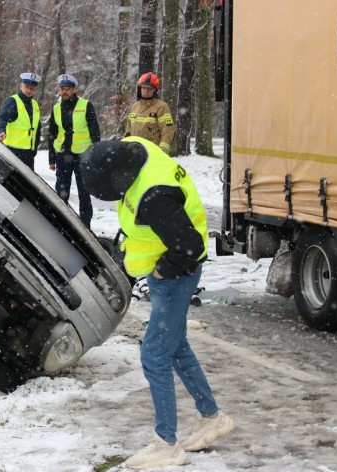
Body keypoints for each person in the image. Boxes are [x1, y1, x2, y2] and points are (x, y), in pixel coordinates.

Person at [80, 136, 235, 469]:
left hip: (175, 277)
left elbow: (190, 248)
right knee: (175, 345)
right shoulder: (135, 146)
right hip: (161, 263)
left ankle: (167, 443)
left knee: (154, 353)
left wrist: (164, 271)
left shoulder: (155, 198)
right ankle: (213, 417)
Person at [47, 74, 100, 228]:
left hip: (83, 156)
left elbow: (95, 131)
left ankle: (86, 228)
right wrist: (52, 158)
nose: (64, 91)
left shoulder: (85, 105)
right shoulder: (56, 108)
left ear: (74, 89)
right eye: (62, 88)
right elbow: (52, 133)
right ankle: (61, 226)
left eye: (67, 89)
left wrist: (95, 156)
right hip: (63, 156)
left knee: (84, 194)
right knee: (61, 194)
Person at [0, 72, 42, 169]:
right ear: (21, 86)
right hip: (12, 151)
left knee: (26, 183)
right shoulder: (13, 101)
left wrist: (34, 148)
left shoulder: (35, 105)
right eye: (26, 87)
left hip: (28, 153)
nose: (29, 90)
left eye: (32, 88)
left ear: (36, 90)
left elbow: (37, 128)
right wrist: (1, 130)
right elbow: (2, 118)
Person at [124, 72, 176, 154]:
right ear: (139, 89)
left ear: (155, 90)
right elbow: (128, 131)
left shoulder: (162, 107)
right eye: (143, 88)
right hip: (134, 153)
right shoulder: (135, 106)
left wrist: (161, 152)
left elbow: (167, 132)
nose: (146, 91)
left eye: (149, 88)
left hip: (152, 153)